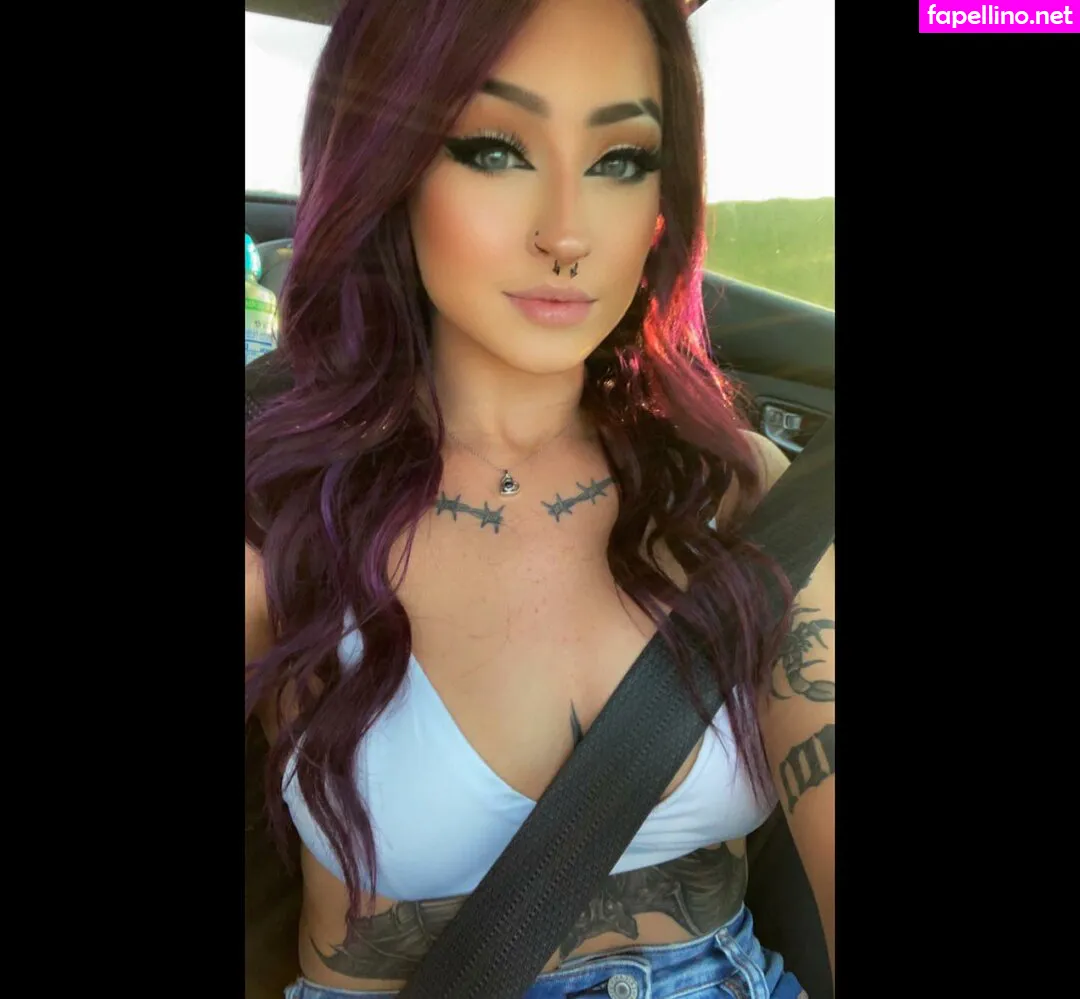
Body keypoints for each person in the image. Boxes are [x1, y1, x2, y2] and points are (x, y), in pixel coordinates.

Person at [244, 1, 835, 997]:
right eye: (493, 149)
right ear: (388, 166)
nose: (566, 232)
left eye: (620, 159)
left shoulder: (736, 486)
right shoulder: (283, 515)